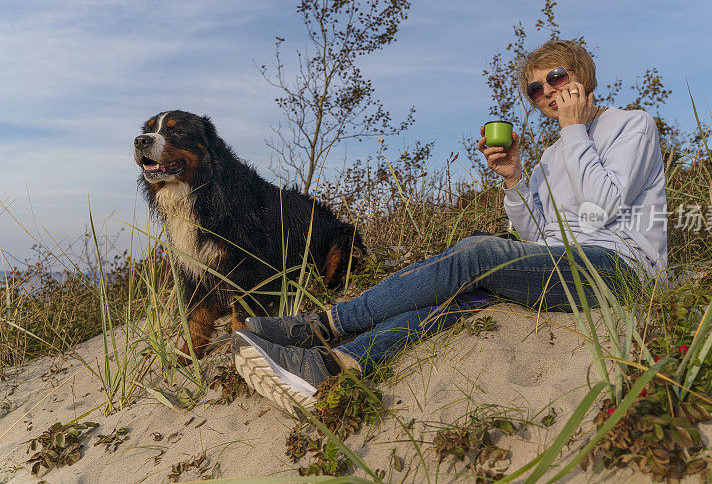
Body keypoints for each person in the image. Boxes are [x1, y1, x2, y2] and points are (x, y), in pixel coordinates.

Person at [231, 40, 668, 412]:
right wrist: (515, 177)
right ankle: (329, 366)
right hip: (564, 269)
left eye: (556, 78)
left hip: (621, 269)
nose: (548, 93)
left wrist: (574, 130)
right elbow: (537, 239)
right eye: (536, 89)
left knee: (478, 251)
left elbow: (602, 204)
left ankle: (321, 325)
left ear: (583, 76)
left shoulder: (631, 125)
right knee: (460, 297)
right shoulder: (556, 154)